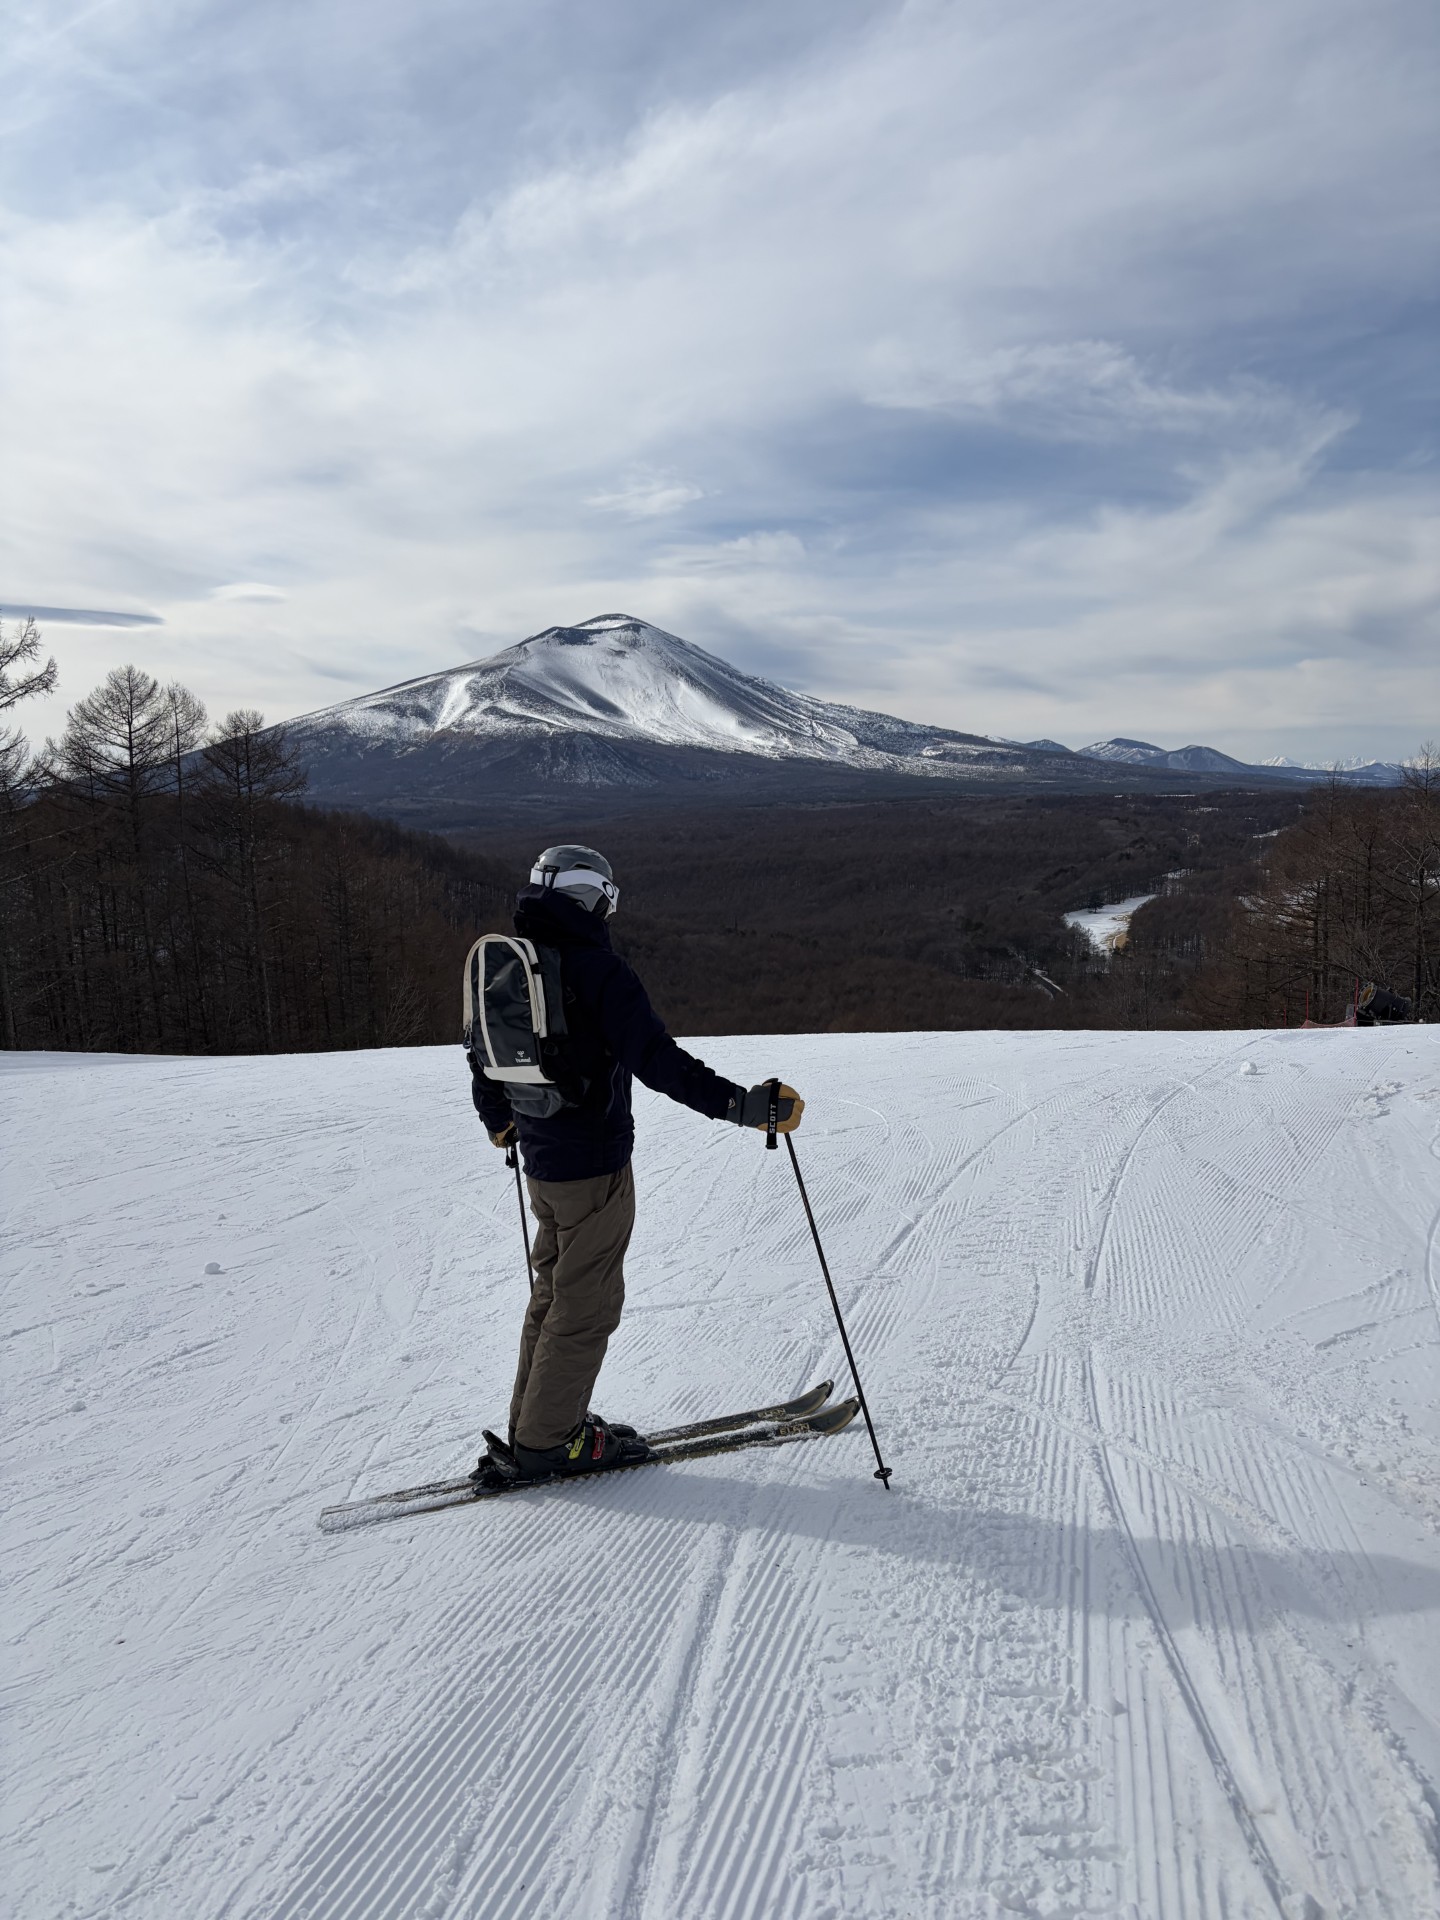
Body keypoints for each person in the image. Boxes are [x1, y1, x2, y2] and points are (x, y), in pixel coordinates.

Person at [469, 845, 803, 1481]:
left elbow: (480, 1051)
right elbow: (658, 1061)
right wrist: (743, 1107)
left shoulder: (513, 960)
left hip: (540, 1162)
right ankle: (549, 1440)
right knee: (586, 1303)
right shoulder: (598, 970)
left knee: (553, 1293)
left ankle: (535, 1424)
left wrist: (499, 1120)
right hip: (593, 1167)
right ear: (591, 898)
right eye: (606, 899)